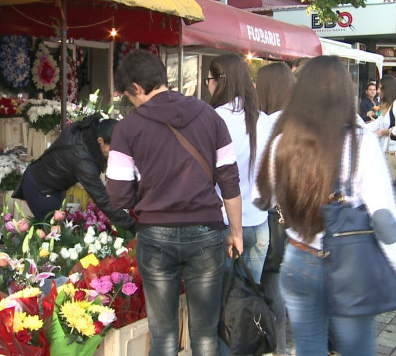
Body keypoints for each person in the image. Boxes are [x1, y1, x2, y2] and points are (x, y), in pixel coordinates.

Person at [255, 56, 396, 355]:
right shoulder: (360, 143)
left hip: (299, 260)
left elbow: (269, 197)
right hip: (351, 262)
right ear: (345, 91)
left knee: (309, 348)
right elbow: (384, 219)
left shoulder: (282, 143)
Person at [106, 50, 243, 356]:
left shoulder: (127, 129)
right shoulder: (210, 115)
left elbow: (117, 194)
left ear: (138, 88)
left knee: (164, 334)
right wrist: (236, 232)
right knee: (206, 335)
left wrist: (144, 200)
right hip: (207, 232)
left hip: (155, 236)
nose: (132, 102)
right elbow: (229, 180)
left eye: (130, 95)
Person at [207, 54, 271, 284]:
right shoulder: (262, 119)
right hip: (259, 220)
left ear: (217, 82)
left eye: (208, 79)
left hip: (224, 224)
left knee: (221, 301)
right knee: (248, 302)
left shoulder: (213, 119)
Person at [14, 113, 136, 232]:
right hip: (40, 189)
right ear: (101, 141)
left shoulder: (92, 128)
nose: (116, 153)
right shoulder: (83, 161)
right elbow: (102, 198)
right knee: (54, 237)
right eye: (114, 148)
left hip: (49, 182)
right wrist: (132, 226)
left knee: (56, 232)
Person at [255, 62, 295, 356]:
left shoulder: (267, 124)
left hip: (272, 215)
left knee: (270, 283)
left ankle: (275, 347)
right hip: (300, 216)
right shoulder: (305, 120)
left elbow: (263, 177)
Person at [365, 75, 396, 221]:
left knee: (395, 186)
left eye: (380, 88)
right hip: (387, 150)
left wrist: (383, 132)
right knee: (391, 186)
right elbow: (378, 123)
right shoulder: (387, 105)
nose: (378, 91)